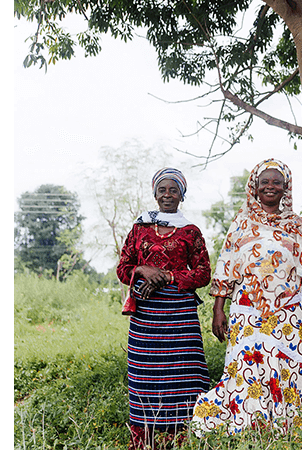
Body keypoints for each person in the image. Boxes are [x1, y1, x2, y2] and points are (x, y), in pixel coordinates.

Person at [191, 159, 302, 435]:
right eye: (265, 182)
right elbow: (226, 267)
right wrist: (218, 310)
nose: (270, 187)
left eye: (276, 182)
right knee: (245, 365)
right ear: (255, 187)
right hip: (247, 310)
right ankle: (246, 427)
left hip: (288, 310)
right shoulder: (241, 224)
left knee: (289, 368)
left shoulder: (298, 227)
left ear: (286, 188)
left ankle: (290, 429)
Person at [116, 167, 212, 449]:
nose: (167, 195)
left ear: (182, 195)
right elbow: (123, 269)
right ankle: (144, 442)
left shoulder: (190, 231)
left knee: (183, 376)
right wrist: (144, 269)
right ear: (154, 194)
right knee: (145, 377)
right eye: (162, 190)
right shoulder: (139, 228)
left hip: (180, 316)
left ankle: (182, 440)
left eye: (173, 190)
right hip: (146, 316)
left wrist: (168, 276)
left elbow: (204, 273)